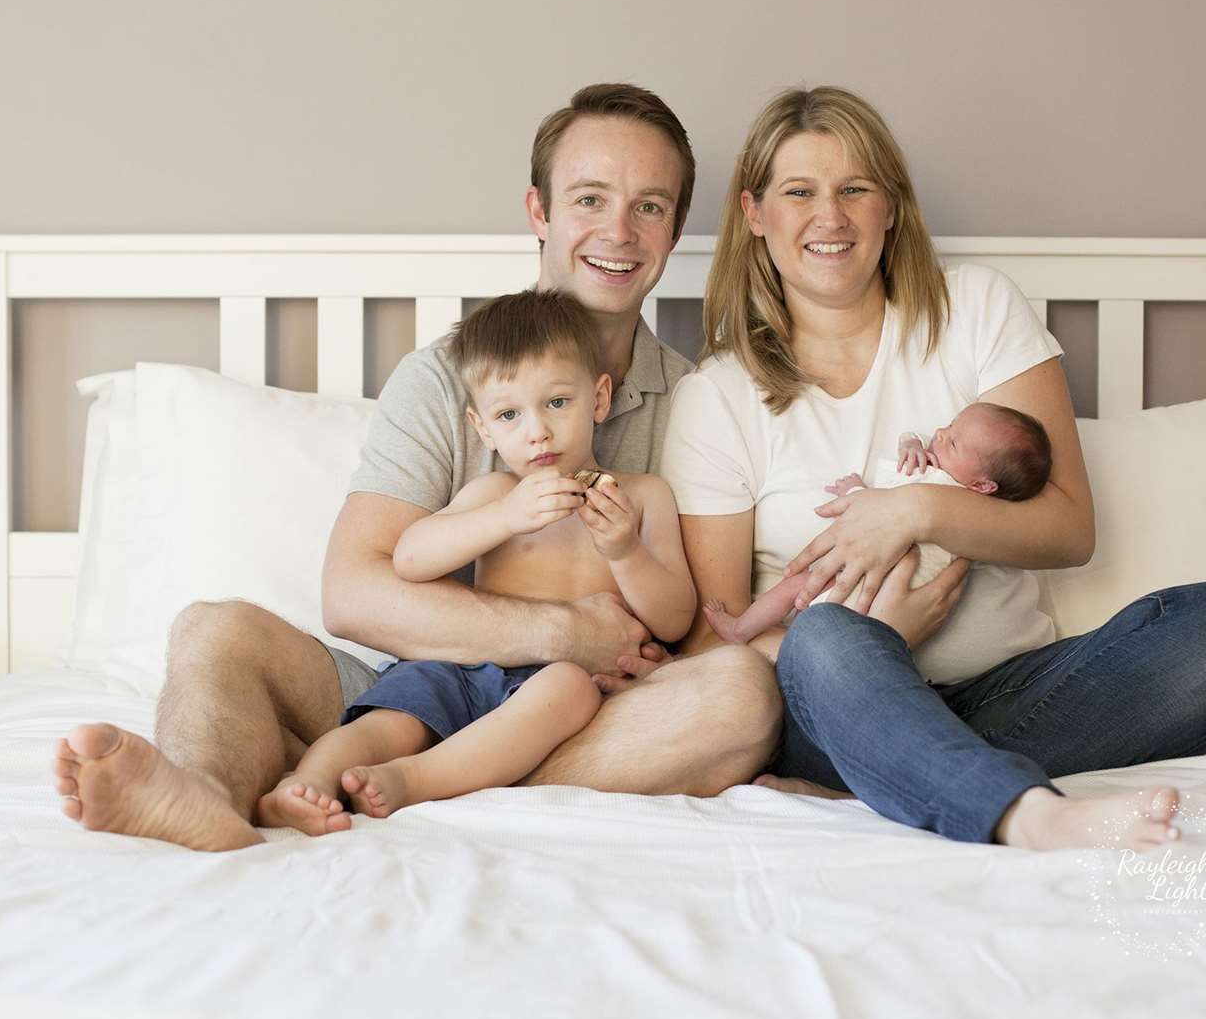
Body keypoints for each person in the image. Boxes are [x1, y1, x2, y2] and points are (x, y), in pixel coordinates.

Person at [52, 84, 779, 851]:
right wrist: (561, 630)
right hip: (423, 685)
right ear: (539, 212)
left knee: (738, 696)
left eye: (650, 207)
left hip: (591, 709)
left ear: (673, 231)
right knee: (213, 629)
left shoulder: (695, 400)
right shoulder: (445, 377)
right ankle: (203, 798)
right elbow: (355, 591)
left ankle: (402, 781)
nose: (619, 232)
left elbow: (699, 626)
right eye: (590, 199)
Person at [658, 86, 1206, 853]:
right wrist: (881, 636)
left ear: (891, 206)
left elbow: (1066, 529)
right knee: (825, 638)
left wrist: (917, 511)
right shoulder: (716, 394)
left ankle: (891, 774)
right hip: (825, 702)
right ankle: (1023, 813)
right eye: (799, 192)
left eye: (856, 188)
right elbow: (711, 648)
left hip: (1012, 694)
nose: (831, 216)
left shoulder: (976, 308)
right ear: (755, 214)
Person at [257, 289, 696, 828]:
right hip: (462, 662)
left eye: (557, 402)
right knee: (393, 719)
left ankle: (413, 780)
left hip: (554, 683)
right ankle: (305, 783)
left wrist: (626, 552)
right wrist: (504, 518)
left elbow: (675, 618)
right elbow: (409, 559)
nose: (537, 431)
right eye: (509, 414)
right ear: (483, 428)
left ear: (599, 398)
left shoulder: (643, 495)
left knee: (568, 689)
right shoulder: (493, 494)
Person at [703, 401, 1051, 645]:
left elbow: (879, 506)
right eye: (950, 424)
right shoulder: (970, 501)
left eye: (954, 441)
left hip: (868, 589)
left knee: (796, 586)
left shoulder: (941, 488)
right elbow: (887, 511)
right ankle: (753, 636)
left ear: (983, 485)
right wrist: (914, 443)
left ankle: (741, 630)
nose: (941, 434)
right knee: (804, 601)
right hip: (875, 595)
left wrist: (855, 488)